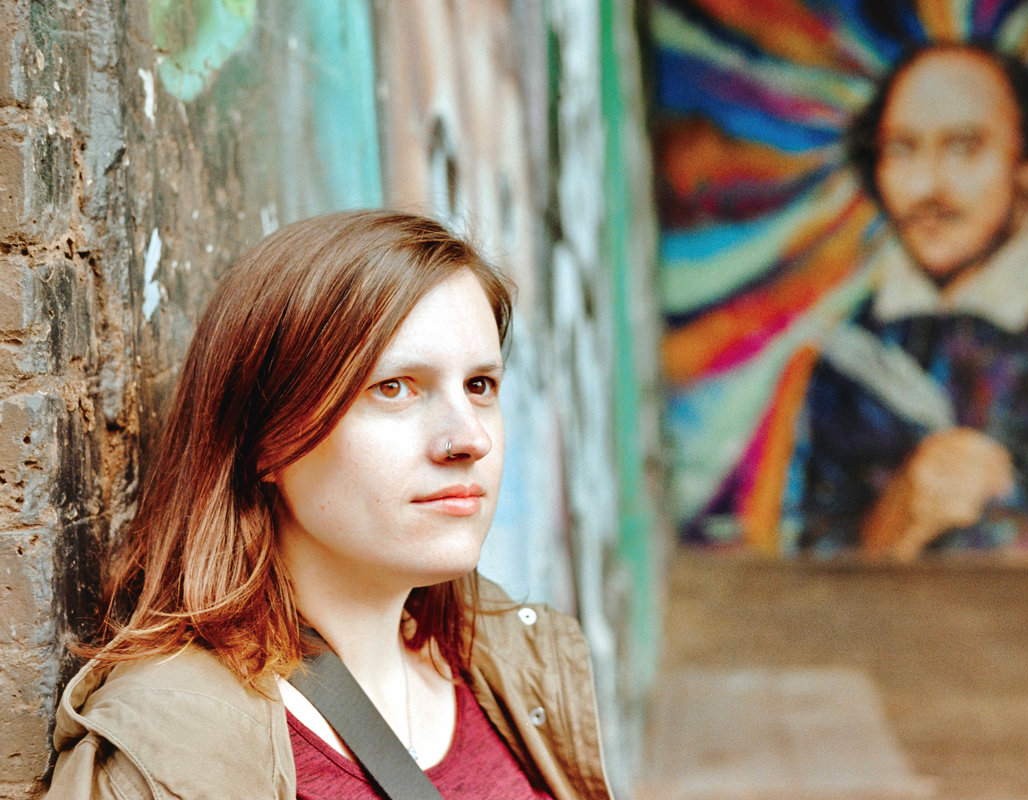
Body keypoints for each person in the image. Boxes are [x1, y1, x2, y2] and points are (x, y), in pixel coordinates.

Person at [45, 211, 612, 800]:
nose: (471, 438)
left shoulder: (510, 659)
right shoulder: (167, 756)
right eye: (393, 387)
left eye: (479, 386)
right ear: (267, 440)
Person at [796, 42, 1028, 559]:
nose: (928, 186)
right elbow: (811, 559)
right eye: (902, 149)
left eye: (964, 148)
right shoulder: (851, 353)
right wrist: (892, 521)